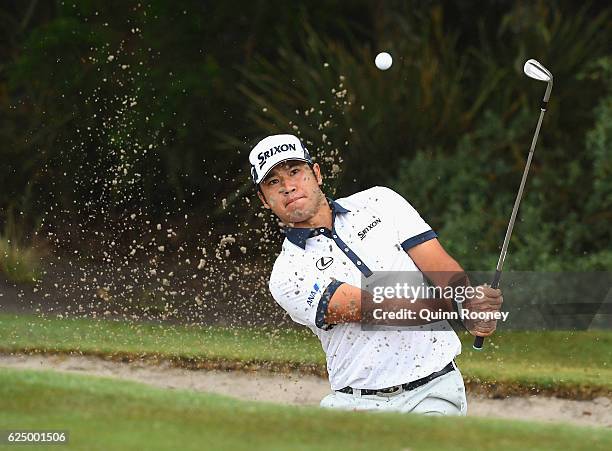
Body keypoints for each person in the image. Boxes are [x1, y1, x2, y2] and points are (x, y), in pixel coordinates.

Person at [248, 133, 503, 415]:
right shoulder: (288, 273)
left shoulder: (380, 202)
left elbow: (439, 265)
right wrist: (456, 307)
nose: (288, 186)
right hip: (356, 404)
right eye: (273, 182)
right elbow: (373, 308)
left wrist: (469, 301)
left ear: (316, 173)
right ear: (264, 199)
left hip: (434, 390)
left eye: (295, 172)